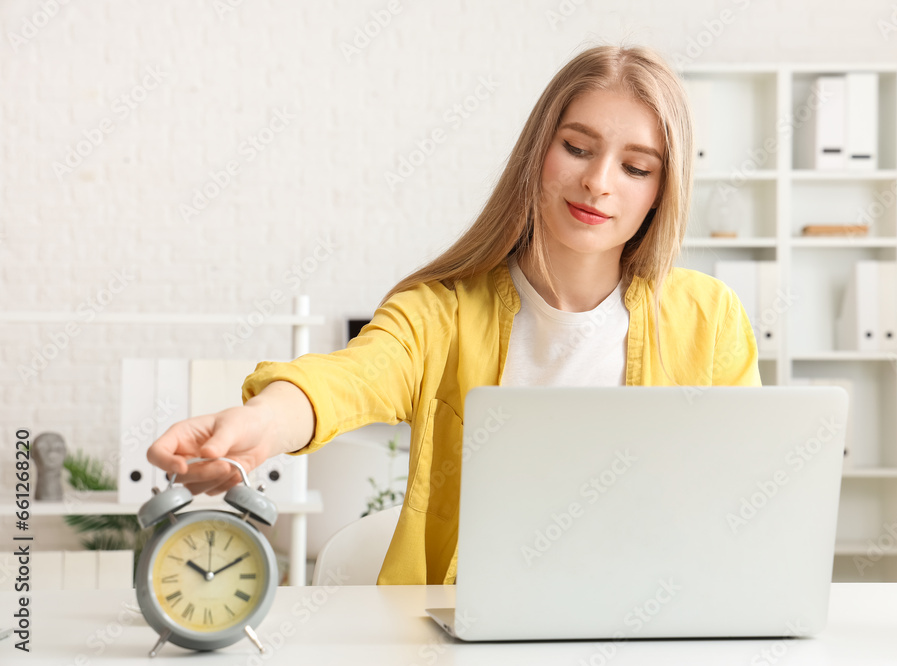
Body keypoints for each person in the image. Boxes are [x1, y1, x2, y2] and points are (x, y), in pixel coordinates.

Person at [147, 43, 761, 586]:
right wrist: (262, 421)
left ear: (662, 189)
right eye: (577, 148)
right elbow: (354, 376)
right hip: (467, 621)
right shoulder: (441, 311)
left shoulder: (710, 318)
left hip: (647, 616)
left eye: (636, 168)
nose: (599, 182)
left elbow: (742, 497)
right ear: (537, 154)